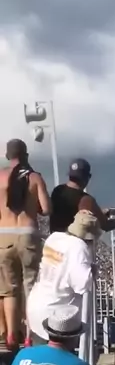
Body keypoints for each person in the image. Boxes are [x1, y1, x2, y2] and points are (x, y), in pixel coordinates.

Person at [0, 139, 50, 348]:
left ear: (7, 156)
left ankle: (11, 334)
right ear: (26, 155)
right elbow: (46, 209)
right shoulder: (35, 177)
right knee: (30, 287)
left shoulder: (0, 177)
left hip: (4, 236)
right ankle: (30, 335)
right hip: (28, 235)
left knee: (9, 289)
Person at [26, 210, 100, 345]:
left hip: (36, 305)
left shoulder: (54, 237)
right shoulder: (79, 247)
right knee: (60, 356)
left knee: (41, 353)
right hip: (57, 315)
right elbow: (82, 285)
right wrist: (92, 272)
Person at [49, 158, 115, 235]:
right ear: (87, 177)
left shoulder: (57, 190)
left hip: (53, 240)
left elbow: (69, 211)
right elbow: (106, 225)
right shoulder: (86, 200)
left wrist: (103, 212)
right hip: (72, 242)